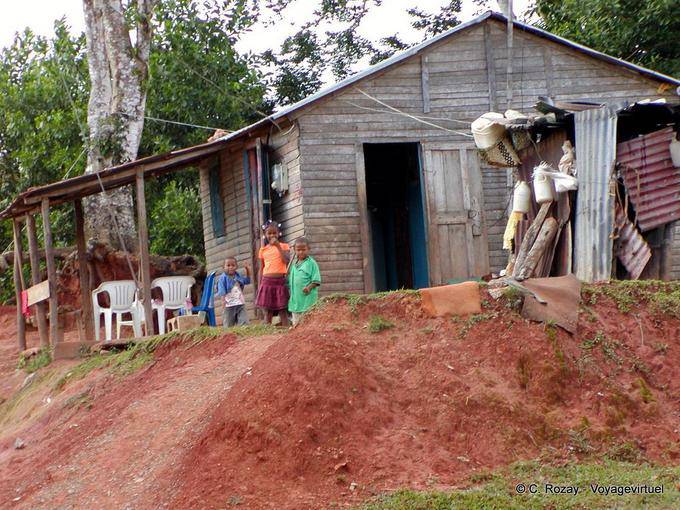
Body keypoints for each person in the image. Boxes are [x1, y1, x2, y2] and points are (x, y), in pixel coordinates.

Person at [255, 221, 291, 326]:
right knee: (268, 310)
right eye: (269, 233)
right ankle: (267, 334)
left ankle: (286, 331)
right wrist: (260, 283)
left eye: (274, 233)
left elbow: (286, 260)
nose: (272, 235)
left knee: (282, 309)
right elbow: (261, 268)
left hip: (280, 281)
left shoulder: (284, 246)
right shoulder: (263, 250)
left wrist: (278, 246)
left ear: (279, 233)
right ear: (265, 235)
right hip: (266, 281)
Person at [288, 236, 321, 326]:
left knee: (308, 323)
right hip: (296, 300)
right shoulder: (295, 264)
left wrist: (309, 287)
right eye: (298, 250)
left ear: (308, 249)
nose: (301, 252)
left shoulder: (311, 263)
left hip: (307, 300)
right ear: (294, 250)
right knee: (296, 324)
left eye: (304, 249)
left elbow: (316, 280)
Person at [216, 257, 251, 327]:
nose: (231, 267)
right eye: (228, 265)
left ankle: (244, 331)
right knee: (228, 324)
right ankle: (228, 334)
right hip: (229, 304)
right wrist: (223, 301)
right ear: (223, 267)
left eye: (233, 265)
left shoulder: (238, 276)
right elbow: (221, 290)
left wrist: (247, 269)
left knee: (244, 320)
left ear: (236, 267)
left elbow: (247, 281)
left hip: (240, 303)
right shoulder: (223, 278)